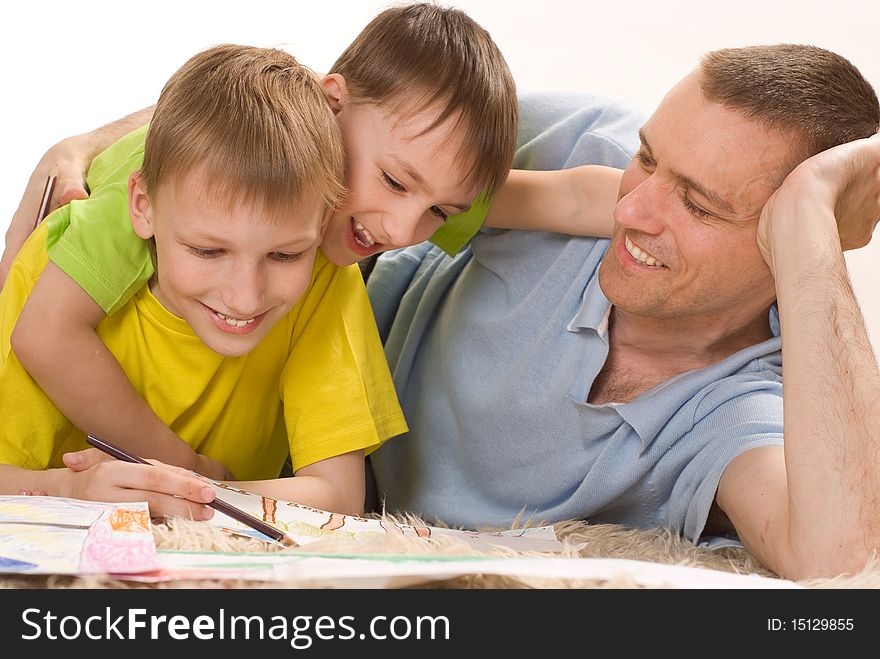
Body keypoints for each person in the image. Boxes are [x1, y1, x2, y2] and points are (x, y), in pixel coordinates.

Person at [365, 44, 880, 581]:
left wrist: (812, 208)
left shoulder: (739, 408)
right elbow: (331, 132)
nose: (628, 210)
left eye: (699, 206)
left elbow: (845, 563)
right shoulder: (576, 141)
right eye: (648, 159)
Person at [0, 43, 409, 519]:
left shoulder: (325, 282)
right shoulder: (51, 265)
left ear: (321, 226)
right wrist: (70, 488)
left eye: (284, 254)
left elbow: (338, 498)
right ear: (142, 206)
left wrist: (178, 488)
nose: (245, 296)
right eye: (209, 251)